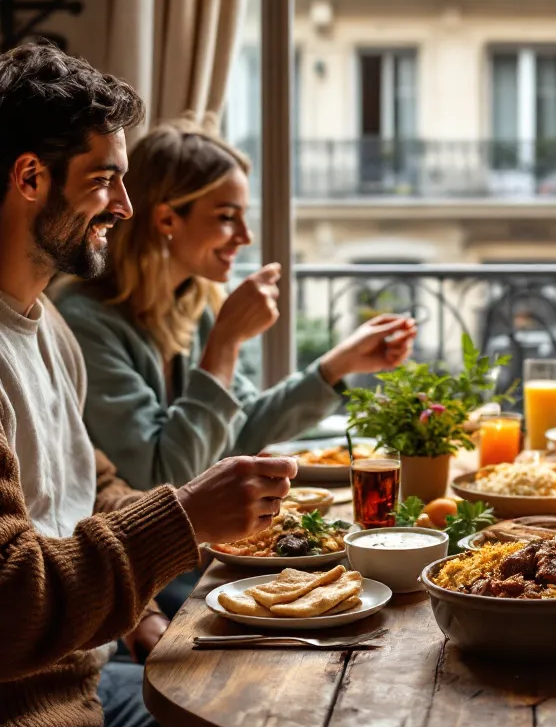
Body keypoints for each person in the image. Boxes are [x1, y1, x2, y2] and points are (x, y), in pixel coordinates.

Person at [0, 42, 298, 727]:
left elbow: (93, 495)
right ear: (30, 178)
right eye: (105, 181)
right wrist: (184, 518)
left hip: (84, 684)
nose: (125, 209)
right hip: (14, 723)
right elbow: (9, 598)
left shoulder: (46, 330)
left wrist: (231, 524)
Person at [56, 119, 417, 496]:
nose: (245, 237)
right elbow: (162, 479)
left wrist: (339, 365)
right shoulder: (85, 321)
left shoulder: (194, 301)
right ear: (166, 219)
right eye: (227, 218)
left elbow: (241, 431)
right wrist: (224, 343)